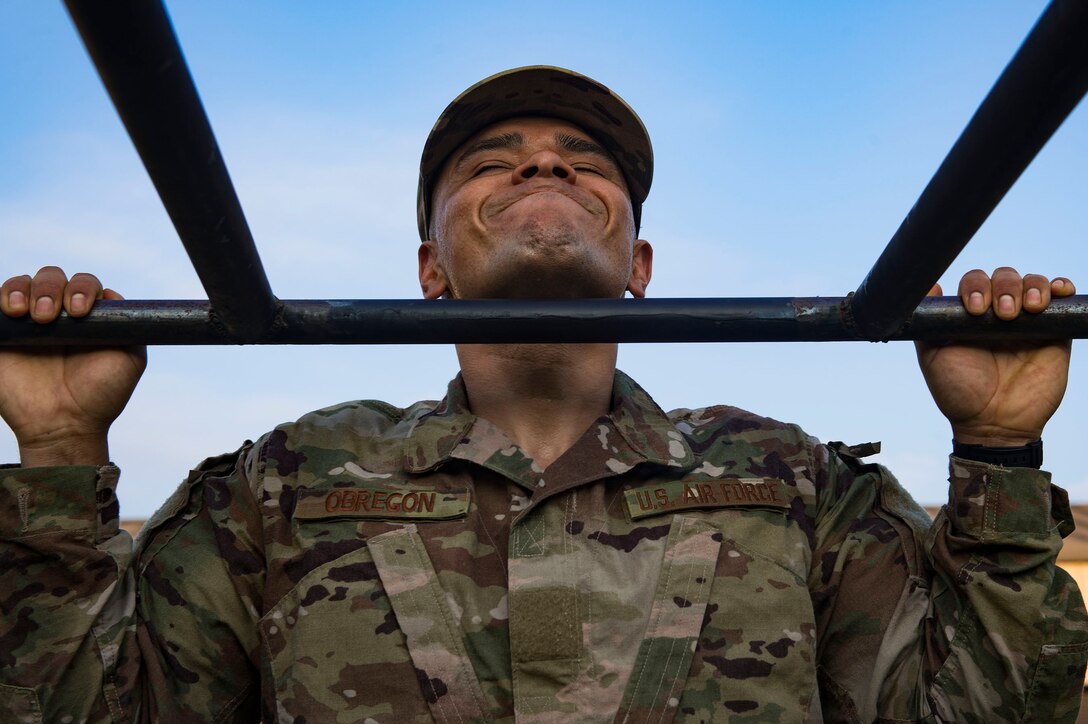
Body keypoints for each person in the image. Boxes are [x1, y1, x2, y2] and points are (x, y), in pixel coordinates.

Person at [0, 66, 1084, 723]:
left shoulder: (783, 476)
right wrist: (59, 450)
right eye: (491, 160)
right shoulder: (288, 479)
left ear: (640, 263)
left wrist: (994, 450)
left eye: (583, 160)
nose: (544, 167)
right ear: (429, 269)